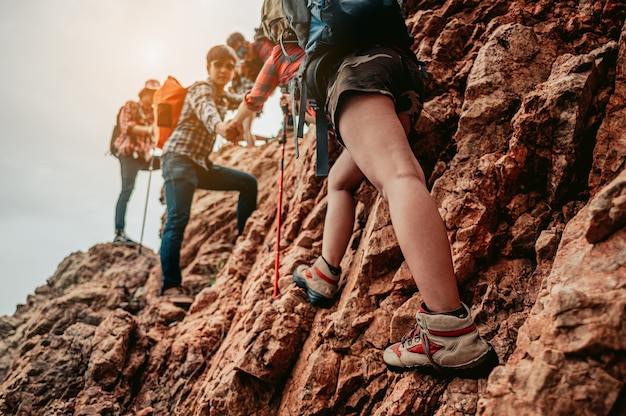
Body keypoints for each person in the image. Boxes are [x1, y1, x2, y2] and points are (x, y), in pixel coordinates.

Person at [291, 9, 498, 376]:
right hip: (401, 70)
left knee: (399, 176)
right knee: (341, 180)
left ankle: (449, 331)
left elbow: (297, 54)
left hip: (355, 70)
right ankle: (324, 272)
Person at [159, 45, 257, 306]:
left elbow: (244, 99)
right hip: (178, 159)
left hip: (199, 164)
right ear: (208, 67)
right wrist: (222, 127)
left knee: (247, 183)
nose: (224, 71)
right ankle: (169, 287)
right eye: (218, 65)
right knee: (177, 219)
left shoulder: (223, 96)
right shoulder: (201, 89)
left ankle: (242, 244)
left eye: (229, 66)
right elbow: (206, 111)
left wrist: (268, 92)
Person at [112, 79, 161, 244]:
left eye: (156, 93)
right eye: (151, 93)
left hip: (144, 157)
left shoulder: (155, 113)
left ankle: (169, 192)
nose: (153, 96)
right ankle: (119, 232)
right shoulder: (131, 106)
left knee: (170, 160)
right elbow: (127, 127)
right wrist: (149, 129)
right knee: (127, 190)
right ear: (144, 93)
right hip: (129, 155)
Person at [230, 41, 314, 134]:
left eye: (242, 50)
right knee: (292, 103)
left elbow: (259, 94)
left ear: (246, 43)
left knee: (294, 101)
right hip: (291, 82)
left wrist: (234, 123)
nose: (243, 55)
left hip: (298, 77)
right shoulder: (249, 65)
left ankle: (294, 124)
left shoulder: (264, 48)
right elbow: (269, 91)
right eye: (239, 55)